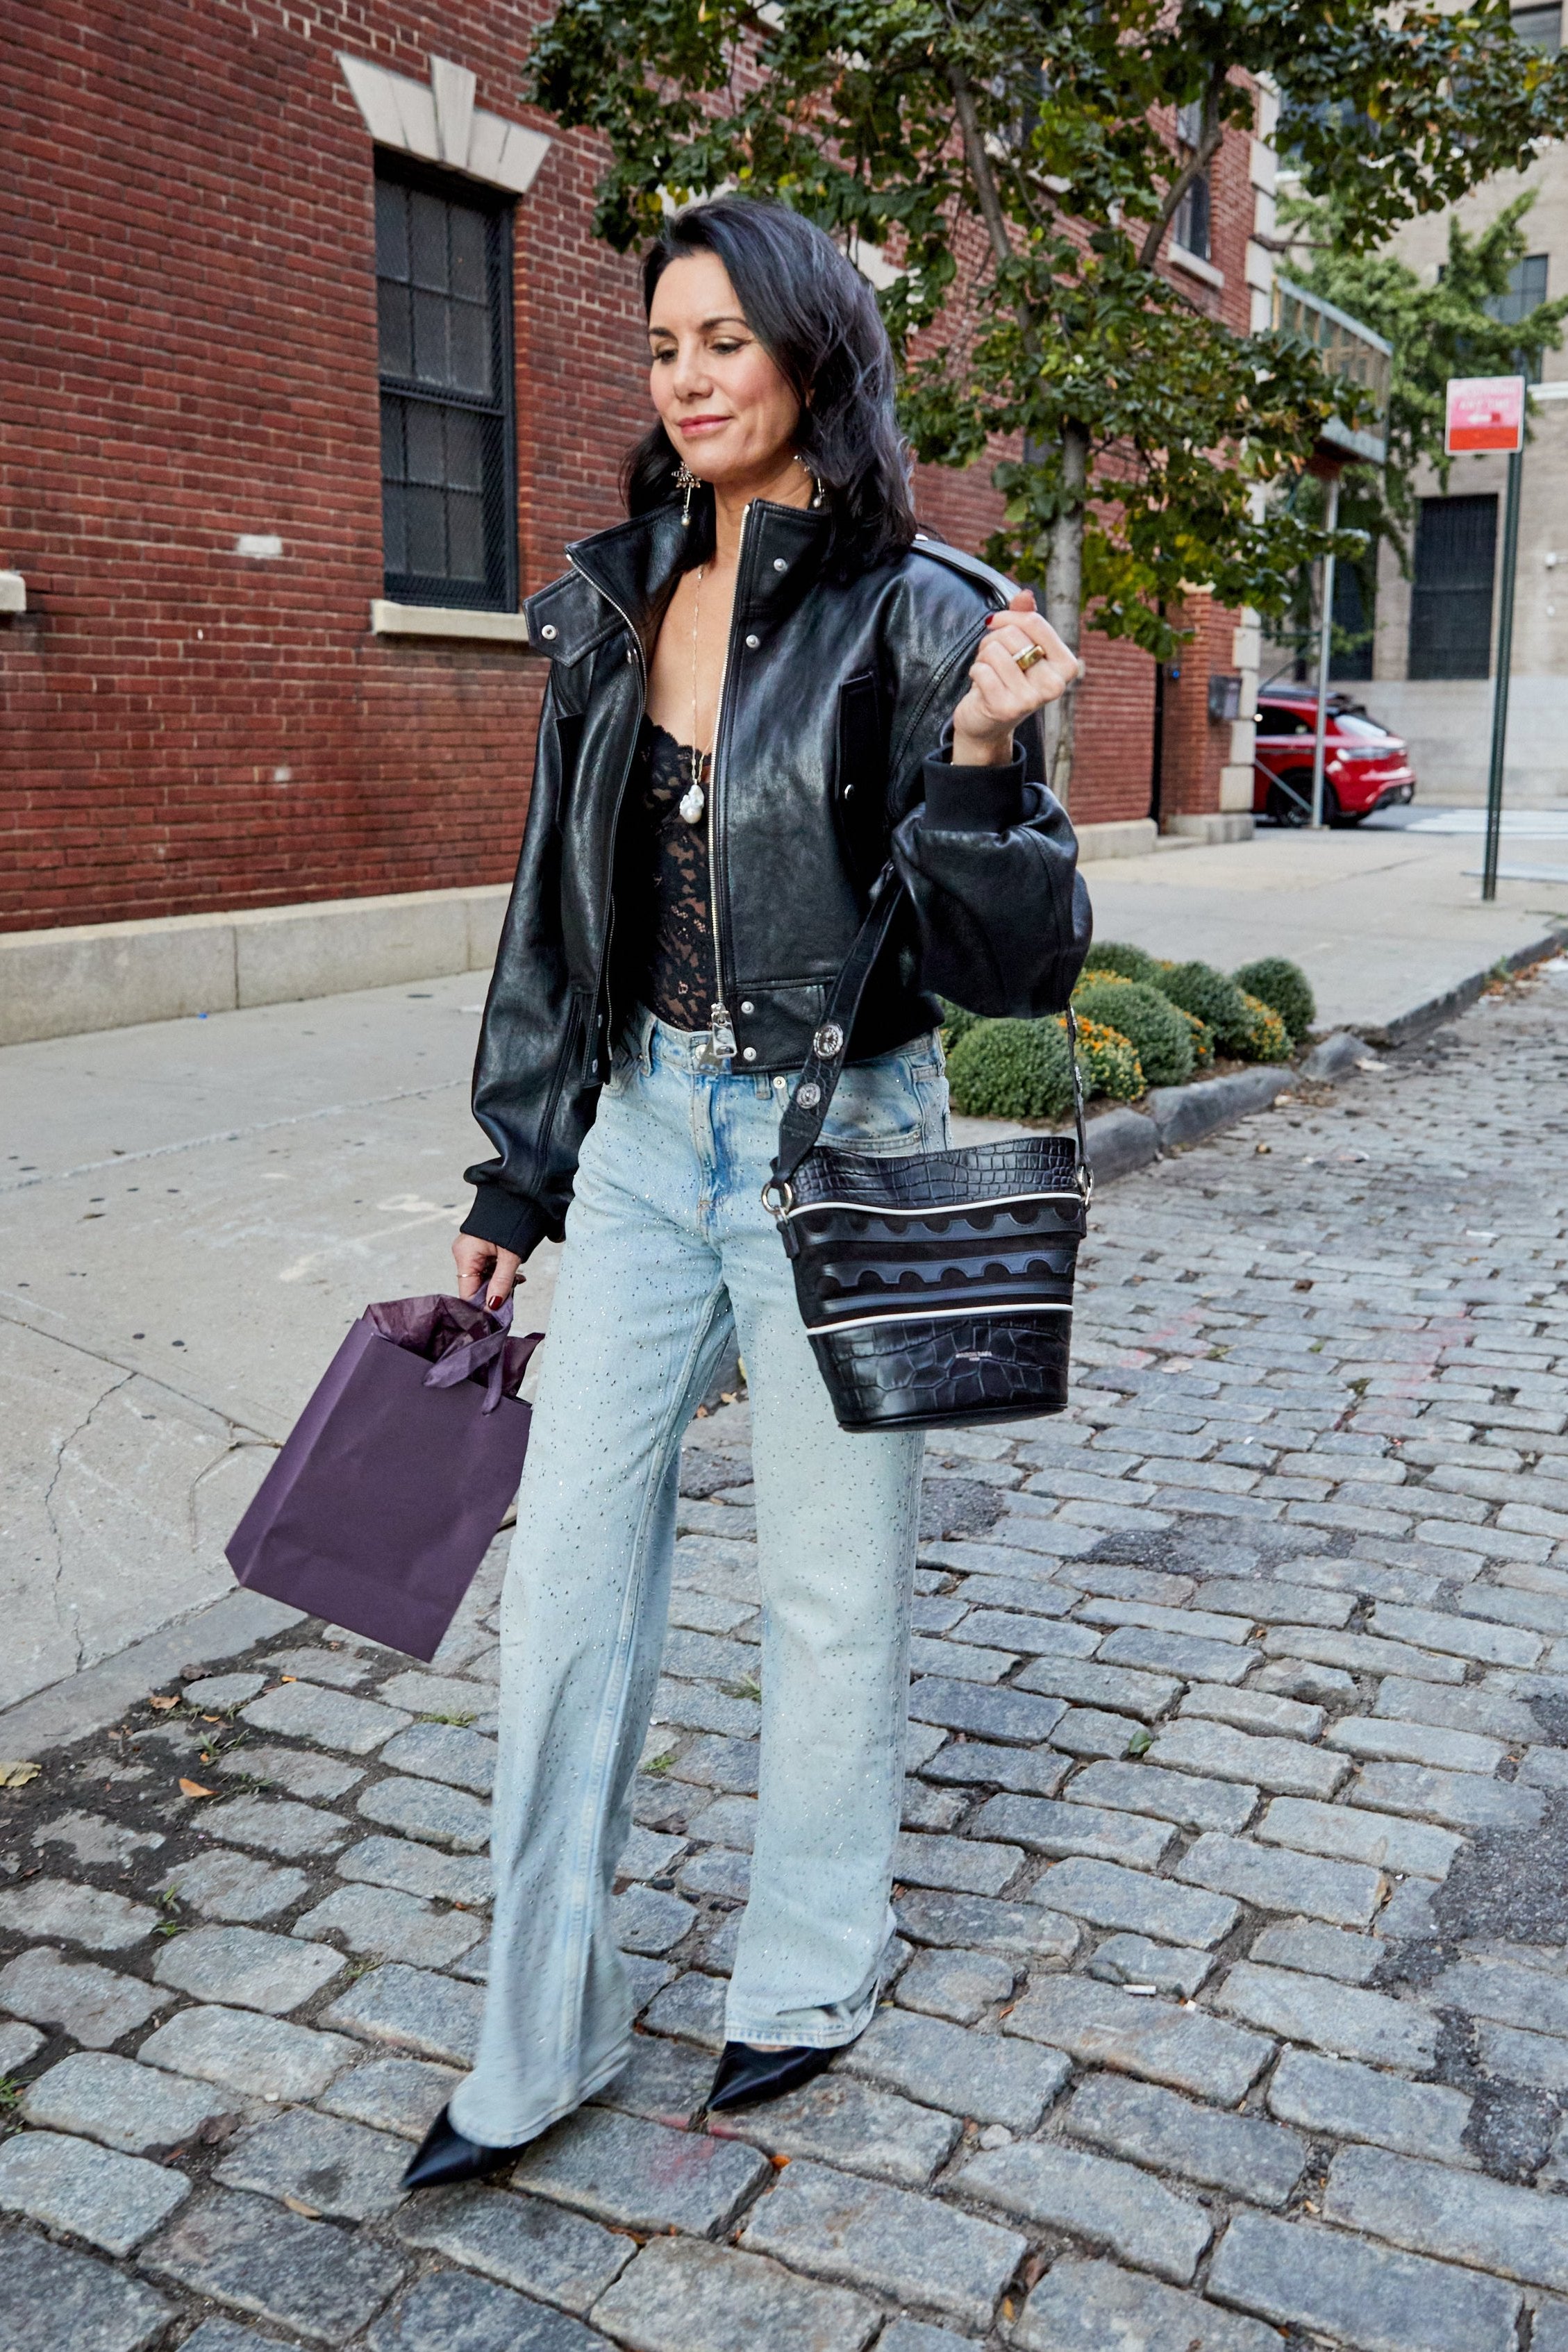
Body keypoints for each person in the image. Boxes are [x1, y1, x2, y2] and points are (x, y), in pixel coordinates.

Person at [402, 195, 1090, 2191]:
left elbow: (1017, 968)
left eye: (726, 341)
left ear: (810, 356)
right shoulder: (608, 596)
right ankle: (538, 2032)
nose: (688, 379)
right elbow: (559, 906)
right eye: (662, 346)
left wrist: (973, 760)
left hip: (837, 1139)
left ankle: (808, 1964)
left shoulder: (921, 606)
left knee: (823, 1585)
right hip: (633, 1136)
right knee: (563, 1593)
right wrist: (516, 1166)